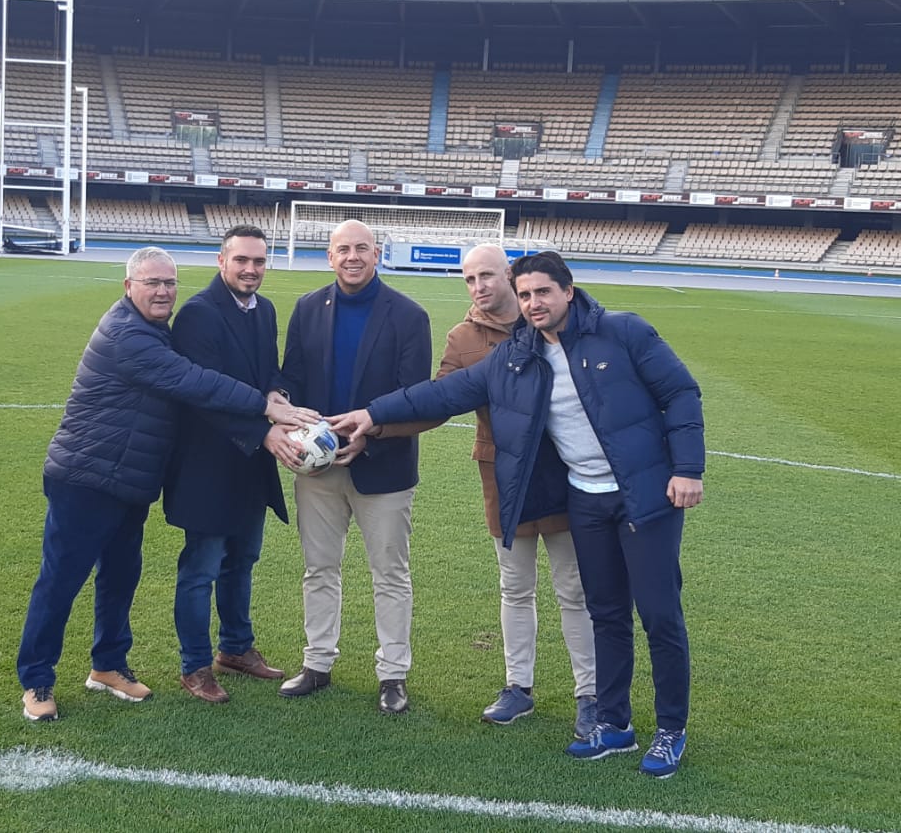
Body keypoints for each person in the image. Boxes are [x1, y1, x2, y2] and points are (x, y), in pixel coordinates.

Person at [331, 250, 703, 778]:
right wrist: (373, 413)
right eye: (525, 294)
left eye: (542, 292)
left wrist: (688, 468)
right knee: (607, 613)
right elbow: (443, 392)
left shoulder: (624, 332)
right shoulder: (516, 357)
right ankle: (615, 723)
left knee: (660, 615)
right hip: (586, 500)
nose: (533, 303)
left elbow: (681, 392)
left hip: (645, 494)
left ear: (567, 291)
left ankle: (671, 729)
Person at [16, 246, 317, 722]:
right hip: (86, 477)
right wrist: (267, 408)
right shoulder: (127, 335)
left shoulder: (156, 329)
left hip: (129, 480)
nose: (162, 291)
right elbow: (193, 379)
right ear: (128, 287)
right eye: (151, 283)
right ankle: (36, 678)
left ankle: (108, 666)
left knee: (120, 577)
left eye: (169, 283)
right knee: (60, 581)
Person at [270, 219, 433, 715]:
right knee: (319, 569)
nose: (352, 257)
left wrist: (372, 436)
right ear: (329, 256)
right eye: (343, 249)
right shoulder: (306, 308)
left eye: (362, 248)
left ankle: (392, 674)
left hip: (381, 466)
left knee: (390, 574)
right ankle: (317, 662)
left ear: (377, 254)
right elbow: (292, 377)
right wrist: (285, 412)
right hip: (317, 468)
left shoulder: (409, 316)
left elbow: (413, 396)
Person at [440, 244, 597, 738]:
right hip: (504, 476)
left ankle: (589, 693)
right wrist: (376, 426)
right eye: (469, 279)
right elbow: (439, 397)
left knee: (574, 587)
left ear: (509, 276)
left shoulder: (552, 318)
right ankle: (517, 687)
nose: (479, 286)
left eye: (487, 275)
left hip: (564, 471)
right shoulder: (463, 338)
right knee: (515, 585)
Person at [162, 225, 307, 703]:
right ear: (221, 261)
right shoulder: (198, 315)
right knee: (201, 567)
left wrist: (277, 394)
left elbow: (268, 370)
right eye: (242, 260)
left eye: (259, 262)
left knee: (243, 560)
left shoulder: (264, 309)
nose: (251, 269)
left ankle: (236, 648)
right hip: (209, 466)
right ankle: (194, 666)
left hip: (251, 465)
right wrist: (265, 431)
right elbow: (203, 394)